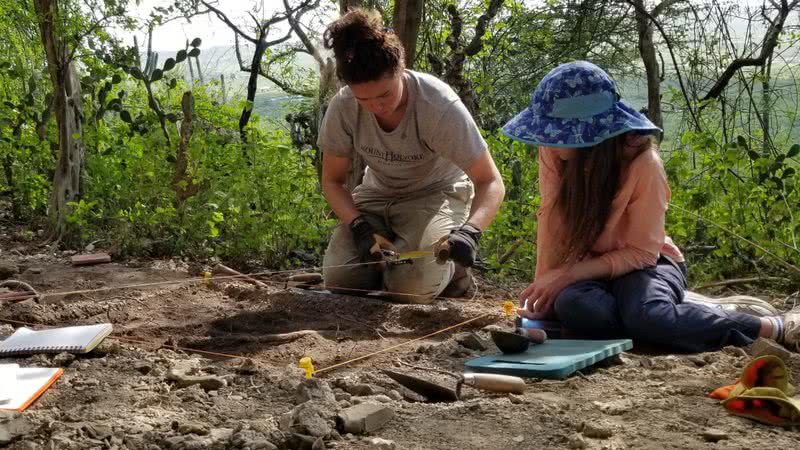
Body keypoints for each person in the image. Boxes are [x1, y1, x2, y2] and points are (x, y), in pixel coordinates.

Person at [501, 60, 799, 353]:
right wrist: (542, 293)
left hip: (647, 264)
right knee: (574, 307)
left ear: (590, 136)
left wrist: (566, 276)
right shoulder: (554, 154)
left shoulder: (644, 164)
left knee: (647, 318)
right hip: (588, 270)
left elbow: (642, 252)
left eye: (557, 132)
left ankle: (770, 326)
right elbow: (553, 220)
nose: (547, 140)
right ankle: (671, 313)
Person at [318, 9, 505, 303]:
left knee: (411, 290)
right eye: (364, 99)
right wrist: (360, 227)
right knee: (342, 281)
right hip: (376, 196)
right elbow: (332, 181)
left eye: (384, 95)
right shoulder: (342, 107)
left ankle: (451, 272)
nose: (376, 107)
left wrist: (470, 232)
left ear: (401, 70)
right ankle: (393, 261)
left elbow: (490, 181)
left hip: (434, 195)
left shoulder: (438, 105)